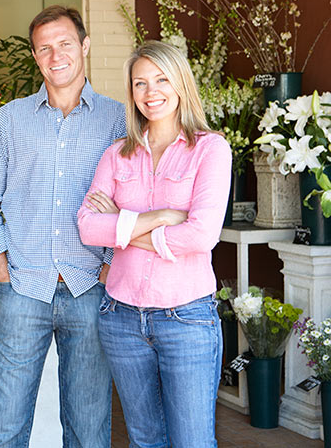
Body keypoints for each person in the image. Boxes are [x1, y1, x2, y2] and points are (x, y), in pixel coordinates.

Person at [0, 5, 125, 448]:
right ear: (36, 57)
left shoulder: (117, 119)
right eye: (44, 49)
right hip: (23, 289)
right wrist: (2, 270)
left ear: (85, 46)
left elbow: (133, 202)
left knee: (90, 429)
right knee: (3, 427)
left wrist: (110, 268)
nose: (56, 56)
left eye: (65, 44)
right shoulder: (9, 120)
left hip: (90, 290)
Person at [77, 40, 231, 447]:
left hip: (187, 319)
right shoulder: (117, 155)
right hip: (121, 317)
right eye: (140, 83)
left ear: (180, 83)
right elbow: (88, 228)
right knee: (145, 441)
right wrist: (161, 219)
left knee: (193, 441)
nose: (151, 92)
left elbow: (202, 235)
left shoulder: (210, 150)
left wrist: (123, 230)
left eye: (161, 79)